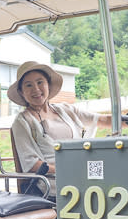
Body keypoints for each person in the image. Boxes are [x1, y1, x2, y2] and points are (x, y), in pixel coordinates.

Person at [9, 61, 113, 193]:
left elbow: (102, 120)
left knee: (116, 173)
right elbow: (32, 165)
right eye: (28, 85)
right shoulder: (22, 121)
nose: (36, 89)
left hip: (83, 172)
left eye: (40, 82)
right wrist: (68, 170)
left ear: (48, 84)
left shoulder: (66, 109)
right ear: (22, 92)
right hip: (53, 183)